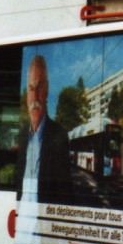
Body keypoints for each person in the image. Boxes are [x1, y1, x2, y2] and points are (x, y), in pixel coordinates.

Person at [15, 55, 72, 203]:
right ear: (27, 94)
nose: (35, 97)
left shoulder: (59, 135)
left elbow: (65, 196)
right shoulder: (21, 137)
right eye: (31, 88)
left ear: (46, 89)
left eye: (39, 87)